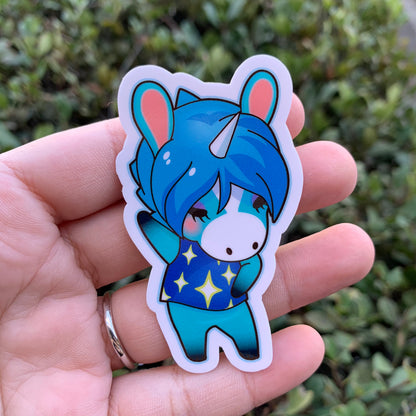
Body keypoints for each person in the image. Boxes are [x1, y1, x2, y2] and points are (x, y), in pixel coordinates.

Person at [0, 95, 374, 415]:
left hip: (234, 304)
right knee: (194, 345)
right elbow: (158, 235)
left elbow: (250, 267)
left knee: (246, 337)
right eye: (200, 212)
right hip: (186, 304)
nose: (236, 224)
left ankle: (242, 346)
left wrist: (243, 280)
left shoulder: (247, 253)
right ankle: (199, 351)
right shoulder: (176, 241)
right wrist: (149, 221)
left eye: (258, 204)